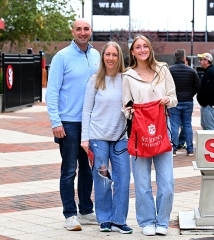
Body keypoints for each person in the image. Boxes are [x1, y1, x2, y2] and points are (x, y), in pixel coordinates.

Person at [45, 18, 100, 231]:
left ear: (91, 31)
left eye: (86, 29)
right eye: (79, 29)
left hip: (91, 123)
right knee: (69, 171)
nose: (83, 32)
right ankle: (69, 214)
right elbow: (52, 92)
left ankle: (85, 210)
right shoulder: (62, 57)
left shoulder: (97, 56)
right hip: (68, 123)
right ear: (73, 31)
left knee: (88, 170)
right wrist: (55, 122)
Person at [122, 35, 177, 236]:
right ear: (133, 52)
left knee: (167, 182)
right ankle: (146, 220)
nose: (142, 49)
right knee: (142, 181)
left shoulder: (163, 70)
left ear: (150, 49)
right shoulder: (127, 76)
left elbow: (174, 98)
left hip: (162, 129)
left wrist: (166, 100)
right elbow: (125, 106)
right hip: (139, 132)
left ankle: (162, 220)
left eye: (145, 46)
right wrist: (133, 112)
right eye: (138, 47)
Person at [80, 42, 133, 234]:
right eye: (107, 54)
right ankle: (104, 219)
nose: (111, 58)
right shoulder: (95, 80)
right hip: (97, 138)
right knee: (102, 179)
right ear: (103, 57)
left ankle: (119, 219)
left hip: (121, 138)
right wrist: (84, 138)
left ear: (120, 57)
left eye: (115, 55)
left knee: (123, 179)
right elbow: (86, 111)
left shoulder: (126, 79)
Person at [169, 49, 200, 157]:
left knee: (174, 125)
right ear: (184, 57)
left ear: (175, 57)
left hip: (174, 101)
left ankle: (173, 149)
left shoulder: (170, 71)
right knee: (187, 125)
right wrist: (190, 94)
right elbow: (197, 87)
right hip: (188, 101)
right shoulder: (191, 71)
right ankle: (190, 149)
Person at [196, 52, 214, 130]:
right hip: (208, 104)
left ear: (206, 61)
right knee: (205, 126)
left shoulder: (210, 72)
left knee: (210, 127)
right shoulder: (210, 71)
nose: (199, 61)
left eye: (201, 60)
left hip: (209, 105)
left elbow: (207, 90)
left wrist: (203, 101)